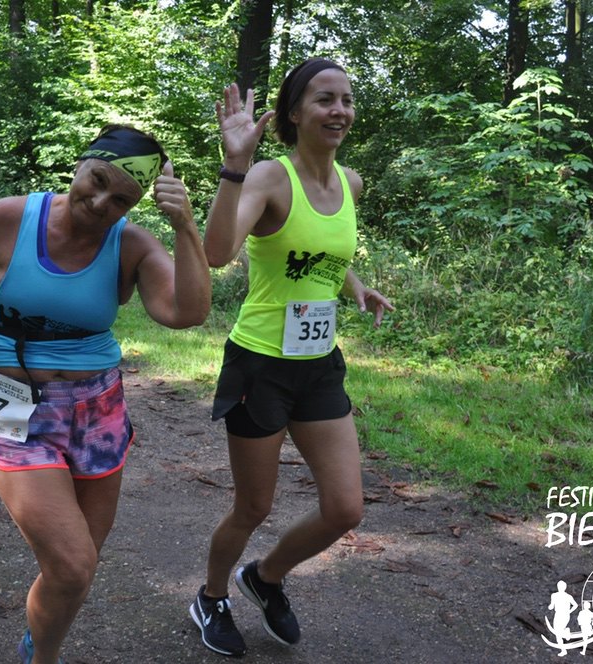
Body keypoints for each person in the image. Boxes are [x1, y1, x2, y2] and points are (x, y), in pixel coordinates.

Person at [0, 125, 210, 664]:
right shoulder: (13, 217)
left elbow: (187, 312)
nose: (102, 203)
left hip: (98, 411)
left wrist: (185, 226)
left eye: (122, 200)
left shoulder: (132, 244)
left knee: (79, 566)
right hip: (14, 407)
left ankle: (38, 645)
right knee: (71, 565)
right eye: (98, 181)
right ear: (81, 164)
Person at [190, 58, 393, 657]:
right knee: (254, 505)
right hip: (260, 365)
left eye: (346, 100)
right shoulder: (269, 179)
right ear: (294, 113)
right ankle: (211, 596)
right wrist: (234, 166)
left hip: (319, 364)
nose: (339, 110)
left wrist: (355, 286)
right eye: (325, 99)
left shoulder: (351, 182)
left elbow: (321, 250)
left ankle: (265, 576)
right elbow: (218, 253)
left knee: (345, 508)